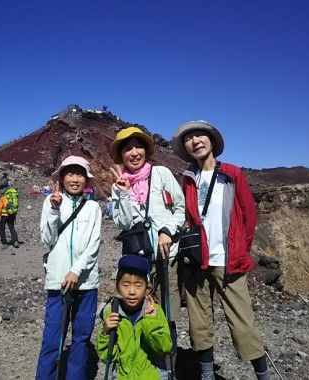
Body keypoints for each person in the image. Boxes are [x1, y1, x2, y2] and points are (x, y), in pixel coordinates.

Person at [171, 120, 270, 380]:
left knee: (242, 322)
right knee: (199, 322)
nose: (195, 141)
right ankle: (206, 374)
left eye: (199, 135)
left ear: (212, 141)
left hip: (228, 260)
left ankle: (262, 374)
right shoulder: (187, 179)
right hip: (197, 260)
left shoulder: (233, 174)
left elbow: (249, 216)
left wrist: (239, 249)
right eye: (189, 138)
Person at [109, 127, 186, 320]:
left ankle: (169, 347)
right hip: (138, 257)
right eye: (128, 149)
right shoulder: (117, 186)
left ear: (146, 150)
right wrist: (124, 193)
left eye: (138, 147)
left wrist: (167, 231)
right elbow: (124, 224)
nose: (134, 153)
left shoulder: (161, 173)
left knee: (169, 307)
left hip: (166, 253)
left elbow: (181, 207)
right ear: (121, 154)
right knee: (143, 310)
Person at [36, 155, 102, 380]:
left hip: (86, 282)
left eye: (80, 174)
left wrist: (76, 270)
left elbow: (94, 244)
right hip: (58, 280)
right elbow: (47, 240)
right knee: (52, 339)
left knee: (81, 339)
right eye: (70, 174)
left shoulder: (93, 207)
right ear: (62, 178)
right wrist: (55, 210)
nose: (75, 179)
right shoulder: (50, 202)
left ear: (86, 179)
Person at [97, 254, 173, 379]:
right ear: (118, 287)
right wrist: (106, 333)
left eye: (138, 285)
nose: (132, 291)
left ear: (147, 289)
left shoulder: (156, 311)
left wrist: (151, 321)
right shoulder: (111, 313)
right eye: (126, 285)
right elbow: (107, 357)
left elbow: (163, 348)